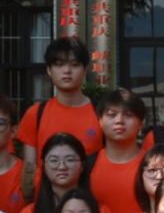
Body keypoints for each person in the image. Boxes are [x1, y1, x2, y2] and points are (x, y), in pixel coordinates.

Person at [15, 36, 102, 164]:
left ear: (85, 70)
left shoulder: (101, 113)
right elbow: (30, 167)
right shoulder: (35, 114)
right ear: (49, 70)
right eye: (59, 64)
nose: (67, 71)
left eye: (74, 65)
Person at [90, 88, 153, 213]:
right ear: (100, 122)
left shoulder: (153, 166)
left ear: (141, 123)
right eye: (111, 115)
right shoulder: (88, 166)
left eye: (128, 115)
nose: (119, 120)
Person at [17, 132, 92, 213]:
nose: (62, 166)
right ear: (44, 166)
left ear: (82, 165)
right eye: (54, 160)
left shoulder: (99, 212)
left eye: (69, 160)